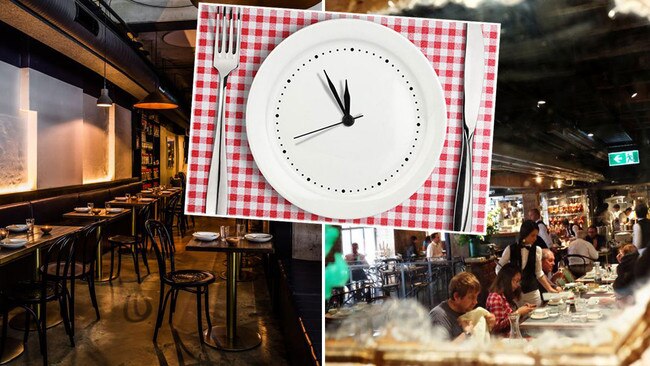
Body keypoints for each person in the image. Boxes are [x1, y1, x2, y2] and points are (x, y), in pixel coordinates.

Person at [496, 220, 560, 307]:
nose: (535, 238)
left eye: (536, 235)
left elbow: (539, 273)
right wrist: (508, 282)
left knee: (536, 317)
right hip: (515, 295)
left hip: (532, 292)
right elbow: (499, 268)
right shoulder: (510, 249)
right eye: (532, 235)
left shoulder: (537, 250)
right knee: (519, 318)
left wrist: (550, 289)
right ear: (524, 234)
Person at [429, 272, 496, 341]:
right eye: (471, 297)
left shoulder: (465, 309)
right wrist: (467, 333)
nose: (475, 302)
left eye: (476, 297)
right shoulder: (438, 316)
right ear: (456, 296)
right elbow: (442, 350)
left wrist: (489, 324)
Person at [485, 263, 536, 333]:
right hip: (503, 339)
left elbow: (509, 318)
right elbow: (496, 327)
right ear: (506, 280)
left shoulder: (505, 294)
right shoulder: (495, 297)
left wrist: (523, 310)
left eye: (519, 281)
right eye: (516, 281)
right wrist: (518, 313)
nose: (518, 285)